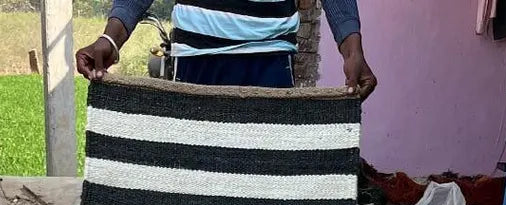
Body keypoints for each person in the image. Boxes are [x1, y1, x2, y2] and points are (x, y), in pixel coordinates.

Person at [77, 2, 377, 98]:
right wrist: (111, 39)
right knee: (195, 180)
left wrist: (353, 52)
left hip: (268, 62)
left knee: (264, 179)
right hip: (195, 63)